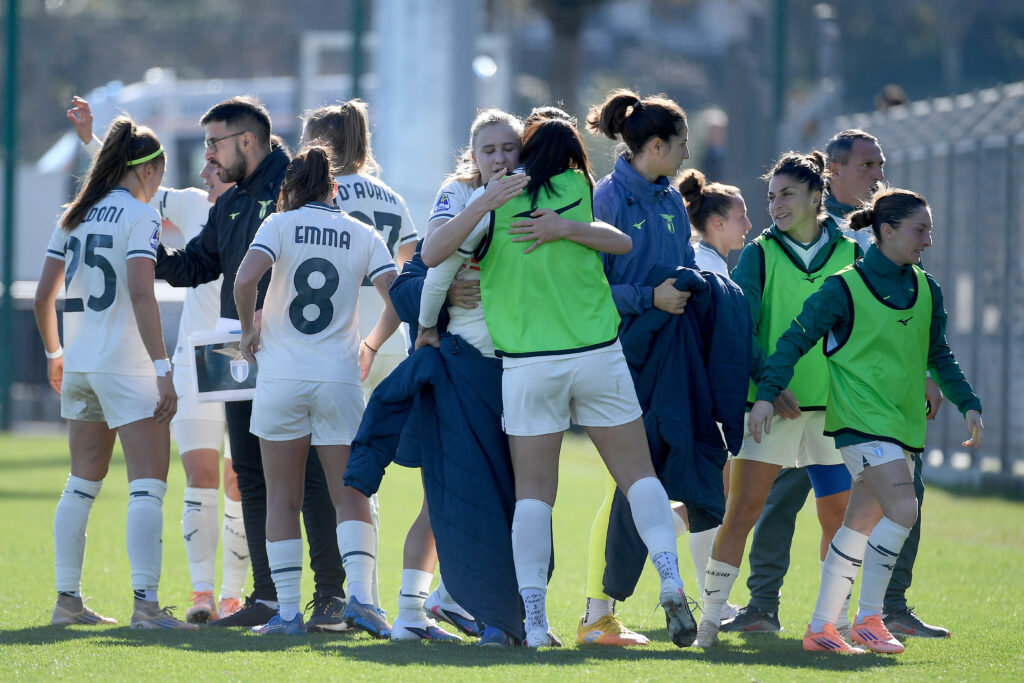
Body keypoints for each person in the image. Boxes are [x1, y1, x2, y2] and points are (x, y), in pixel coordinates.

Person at [419, 115, 697, 649]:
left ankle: (537, 622)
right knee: (641, 479)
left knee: (534, 498)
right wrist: (565, 227)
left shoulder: (491, 205)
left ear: (521, 152)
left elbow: (432, 256)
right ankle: (670, 579)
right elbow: (618, 243)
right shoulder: (575, 186)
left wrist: (483, 204)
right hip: (598, 353)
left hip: (530, 364)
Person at [746, 187, 983, 653]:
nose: (928, 241)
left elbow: (939, 354)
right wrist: (766, 395)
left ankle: (820, 629)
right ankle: (869, 619)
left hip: (903, 427)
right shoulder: (843, 287)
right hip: (860, 427)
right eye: (921, 230)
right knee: (904, 511)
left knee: (857, 529)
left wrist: (967, 400)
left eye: (929, 230)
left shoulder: (926, 288)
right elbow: (794, 340)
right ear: (887, 231)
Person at [154, 96, 347, 631]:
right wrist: (146, 250)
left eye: (215, 143)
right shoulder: (233, 201)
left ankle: (330, 596)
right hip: (235, 350)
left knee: (307, 478)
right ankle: (266, 597)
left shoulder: (297, 186)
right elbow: (198, 264)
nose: (209, 156)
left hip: (291, 351)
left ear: (246, 140)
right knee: (253, 476)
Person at [66, 96, 250, 623]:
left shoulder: (261, 207)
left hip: (239, 351)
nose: (210, 168)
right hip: (194, 356)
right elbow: (131, 181)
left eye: (218, 160)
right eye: (207, 162)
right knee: (198, 473)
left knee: (239, 479)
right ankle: (200, 594)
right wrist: (90, 138)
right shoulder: (190, 203)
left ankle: (234, 594)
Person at [34, 115, 195, 630]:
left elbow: (44, 297)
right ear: (148, 171)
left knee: (80, 484)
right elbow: (143, 293)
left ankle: (67, 601)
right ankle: (146, 607)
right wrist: (163, 369)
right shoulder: (141, 216)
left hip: (80, 362)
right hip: (126, 366)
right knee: (147, 485)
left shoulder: (75, 214)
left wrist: (56, 354)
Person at [233, 144, 400, 636]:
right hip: (340, 377)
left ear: (288, 190)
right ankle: (364, 603)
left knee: (282, 497)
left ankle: (287, 614)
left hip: (282, 377)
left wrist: (248, 331)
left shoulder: (278, 225)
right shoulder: (363, 232)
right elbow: (400, 299)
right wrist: (370, 344)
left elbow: (245, 281)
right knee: (350, 494)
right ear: (334, 190)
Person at [697, 151, 858, 648]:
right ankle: (709, 622)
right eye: (770, 197)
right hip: (769, 406)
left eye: (787, 194)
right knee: (742, 509)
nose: (776, 205)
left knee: (839, 517)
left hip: (831, 410)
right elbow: (740, 324)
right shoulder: (760, 254)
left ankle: (831, 625)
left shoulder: (852, 251)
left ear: (817, 196)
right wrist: (770, 382)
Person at [574, 89, 707, 648]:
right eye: (679, 145)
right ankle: (595, 611)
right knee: (630, 481)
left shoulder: (672, 199)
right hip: (619, 355)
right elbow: (590, 289)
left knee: (650, 480)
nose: (684, 156)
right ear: (655, 145)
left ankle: (602, 609)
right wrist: (648, 300)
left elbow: (684, 267)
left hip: (670, 355)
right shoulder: (605, 201)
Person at [388, 108, 525, 643]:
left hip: (509, 363)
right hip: (460, 359)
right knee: (442, 494)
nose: (499, 158)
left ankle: (449, 600)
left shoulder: (535, 193)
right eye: (488, 149)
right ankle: (410, 610)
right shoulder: (459, 190)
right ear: (472, 155)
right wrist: (434, 315)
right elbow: (432, 253)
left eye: (508, 147)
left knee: (498, 493)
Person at [678, 169, 751, 277]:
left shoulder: (693, 258)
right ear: (718, 223)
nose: (748, 225)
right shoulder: (711, 273)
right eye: (741, 217)